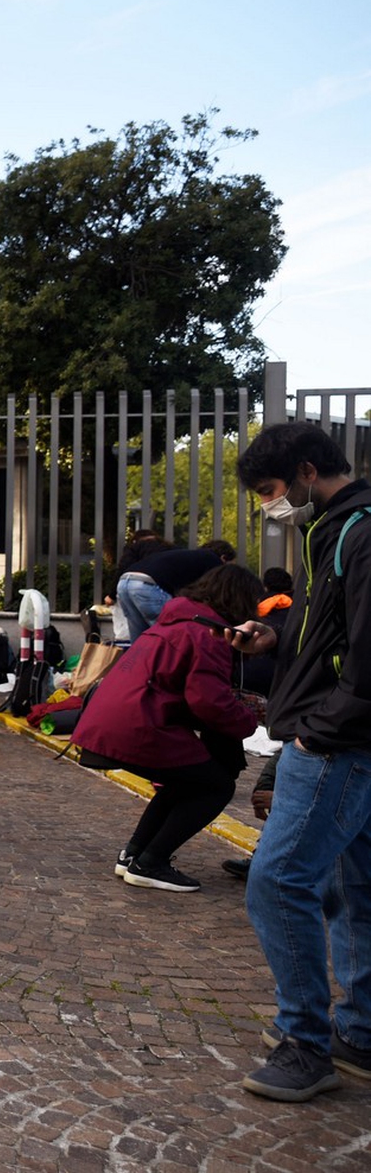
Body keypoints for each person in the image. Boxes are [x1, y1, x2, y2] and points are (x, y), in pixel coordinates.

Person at [227, 422, 371, 1103]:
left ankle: (305, 1043)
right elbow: (325, 628)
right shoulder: (333, 531)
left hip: (338, 741)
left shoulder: (359, 532)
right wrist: (273, 635)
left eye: (271, 490)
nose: (268, 505)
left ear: (308, 471)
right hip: (337, 732)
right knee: (354, 890)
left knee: (278, 880)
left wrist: (318, 731)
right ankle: (361, 1033)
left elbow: (366, 659)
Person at [71, 565, 262, 892]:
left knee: (184, 781)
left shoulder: (173, 622)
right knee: (217, 786)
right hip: (140, 725)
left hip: (111, 721)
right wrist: (250, 720)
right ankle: (151, 861)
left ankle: (133, 855)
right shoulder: (209, 633)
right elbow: (208, 701)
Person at [115, 539, 238, 645]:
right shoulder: (213, 561)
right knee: (171, 636)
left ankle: (137, 668)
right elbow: (213, 594)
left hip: (125, 582)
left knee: (139, 639)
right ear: (223, 558)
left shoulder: (189, 557)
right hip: (147, 586)